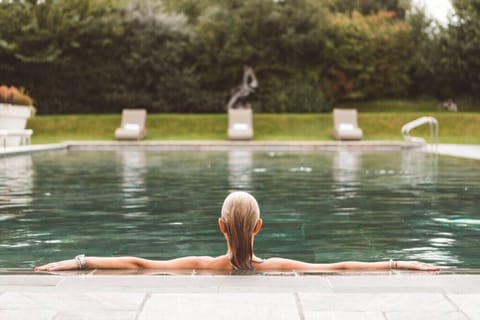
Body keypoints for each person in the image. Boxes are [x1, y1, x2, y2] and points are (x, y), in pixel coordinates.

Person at [35, 191, 440, 272]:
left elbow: (139, 264)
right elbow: (341, 268)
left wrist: (79, 261)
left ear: (221, 226)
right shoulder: (278, 268)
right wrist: (401, 262)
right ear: (260, 227)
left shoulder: (203, 266)